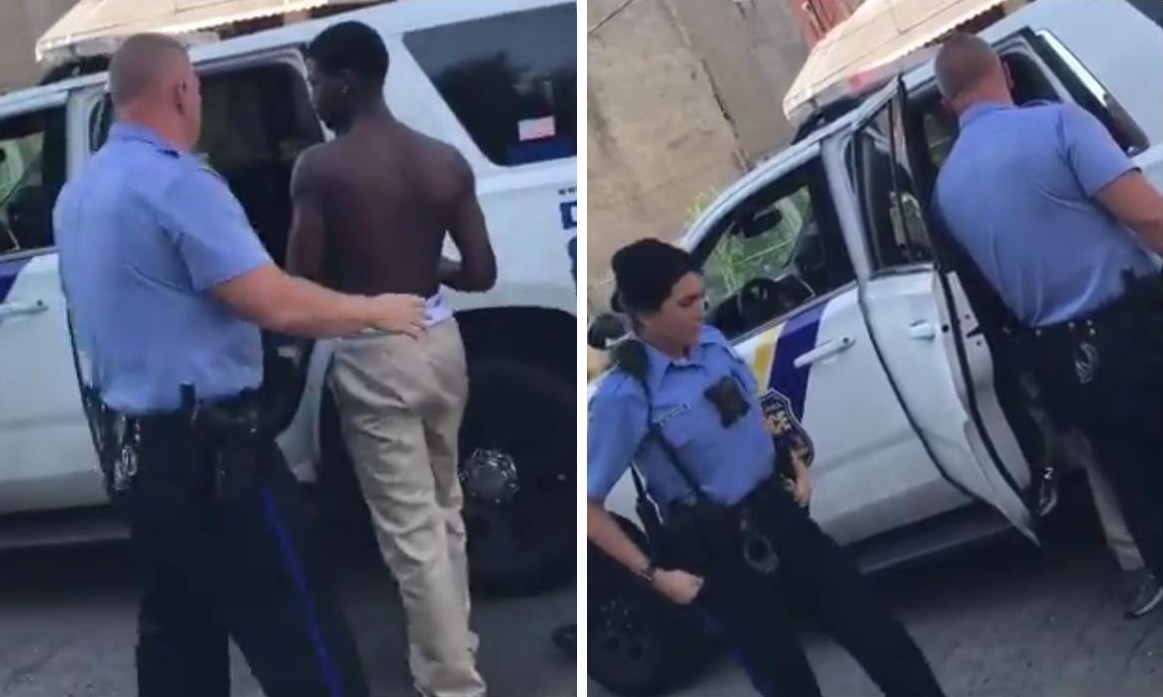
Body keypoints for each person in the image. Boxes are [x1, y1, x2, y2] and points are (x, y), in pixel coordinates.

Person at [53, 33, 429, 697]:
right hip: (216, 457)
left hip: (140, 456)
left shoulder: (78, 195)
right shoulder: (176, 183)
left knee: (178, 630)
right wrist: (379, 309)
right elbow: (270, 301)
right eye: (195, 86)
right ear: (179, 90)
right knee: (297, 625)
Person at [587, 238, 946, 697]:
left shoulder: (711, 344)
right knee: (787, 683)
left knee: (881, 638)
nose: (703, 309)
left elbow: (748, 408)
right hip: (720, 556)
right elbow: (589, 508)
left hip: (782, 518)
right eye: (687, 302)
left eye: (702, 296)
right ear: (647, 315)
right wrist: (657, 577)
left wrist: (791, 459)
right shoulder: (625, 396)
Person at [285, 21, 496, 697]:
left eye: (317, 78)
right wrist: (422, 262)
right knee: (446, 510)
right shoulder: (443, 160)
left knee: (410, 533)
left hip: (375, 350)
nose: (314, 93)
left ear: (346, 80)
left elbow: (301, 279)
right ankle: (453, 651)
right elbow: (482, 272)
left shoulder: (320, 169)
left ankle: (453, 683)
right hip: (440, 343)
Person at [931, 33, 1163, 593]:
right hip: (1137, 327)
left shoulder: (944, 190)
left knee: (1139, 491)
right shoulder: (1058, 125)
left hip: (1065, 358)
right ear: (1006, 73)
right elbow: (1148, 218)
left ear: (946, 106)